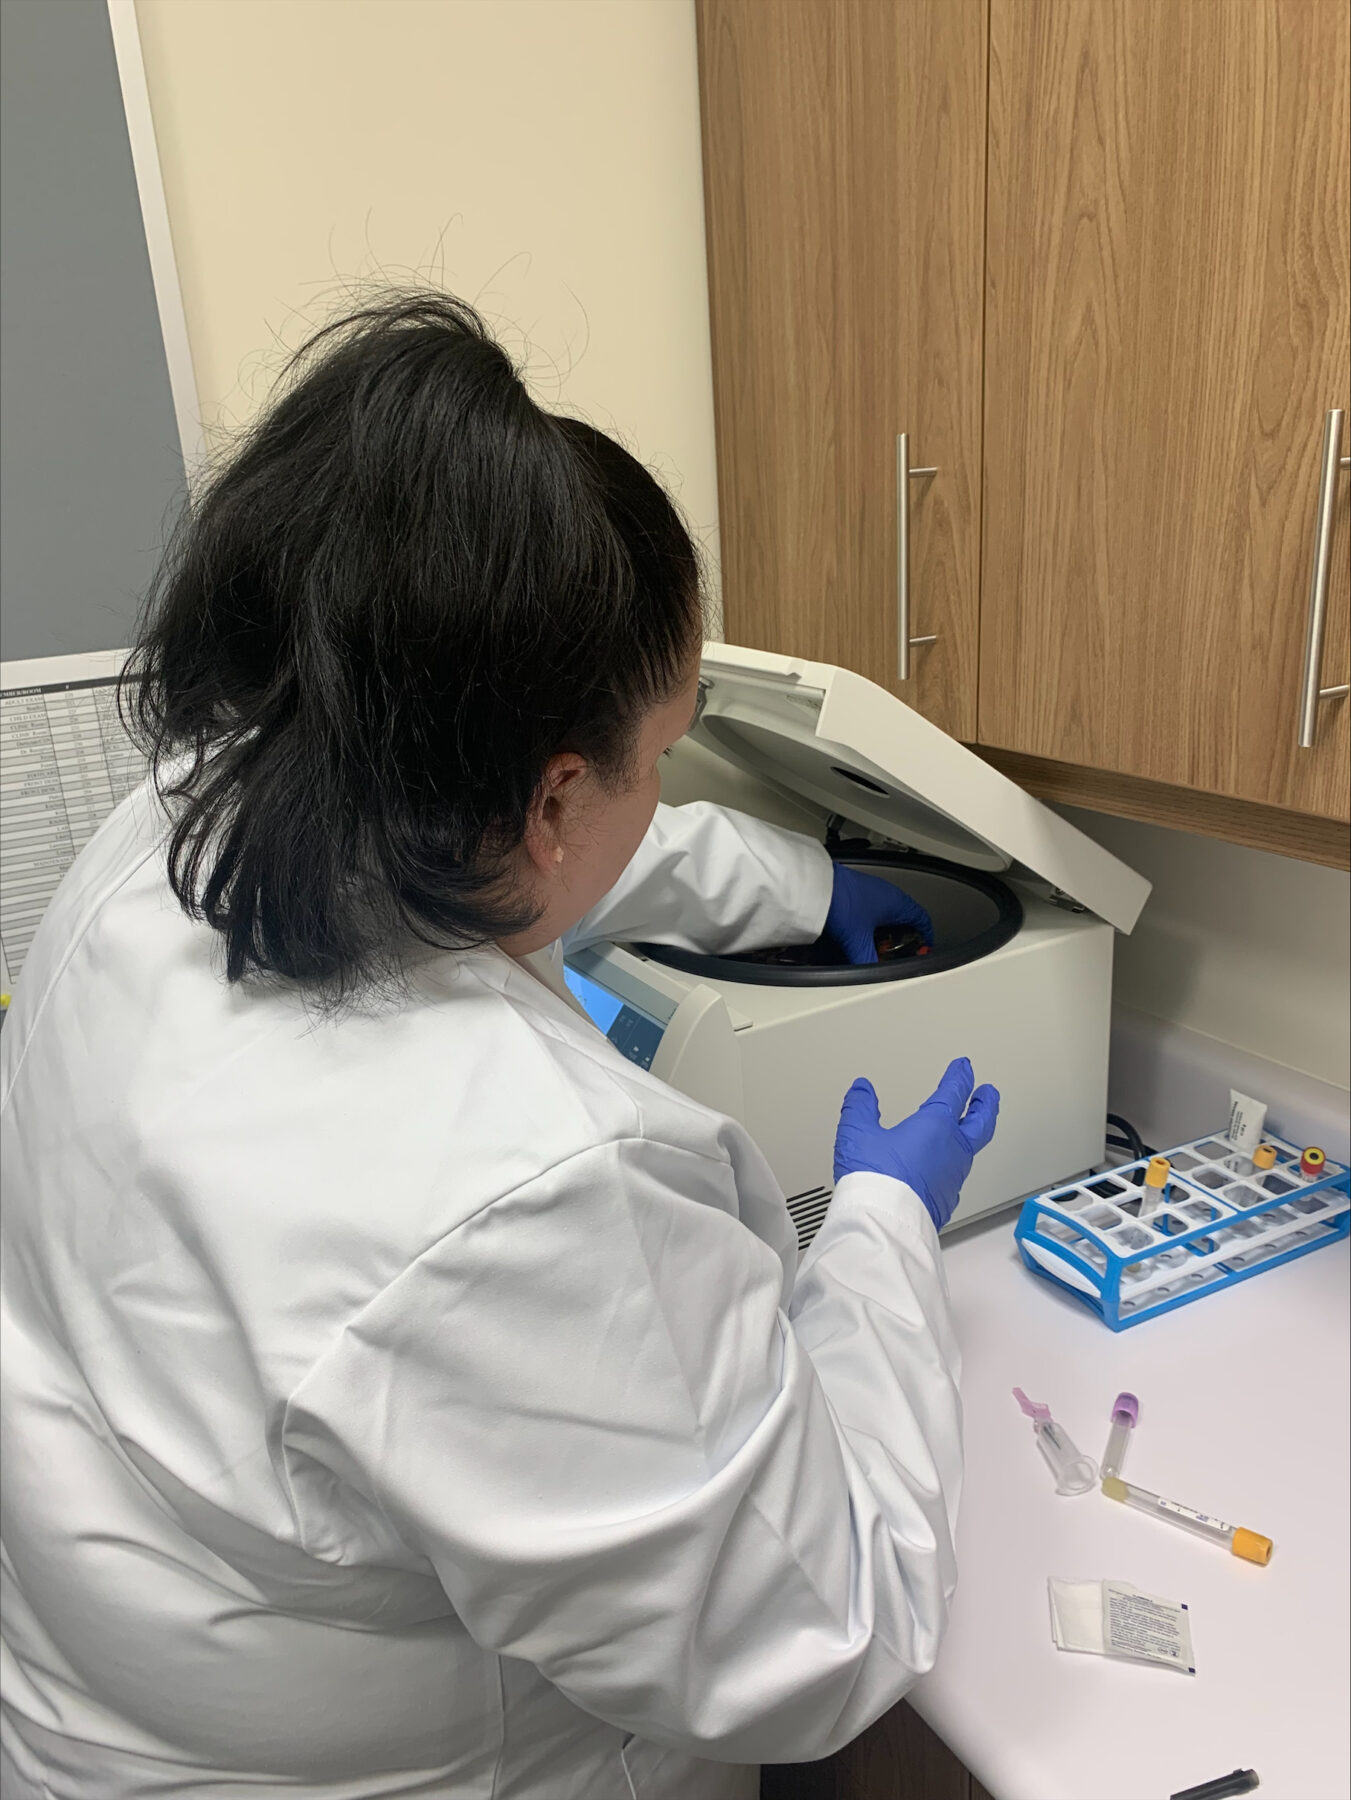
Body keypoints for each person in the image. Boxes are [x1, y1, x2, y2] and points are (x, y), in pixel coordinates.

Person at [0, 294, 998, 1800]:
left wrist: (801, 888)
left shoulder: (191, 825)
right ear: (550, 797)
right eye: (662, 754)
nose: (661, 791)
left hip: (101, 1692)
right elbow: (825, 1634)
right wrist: (881, 1229)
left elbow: (521, 855)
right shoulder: (519, 1190)